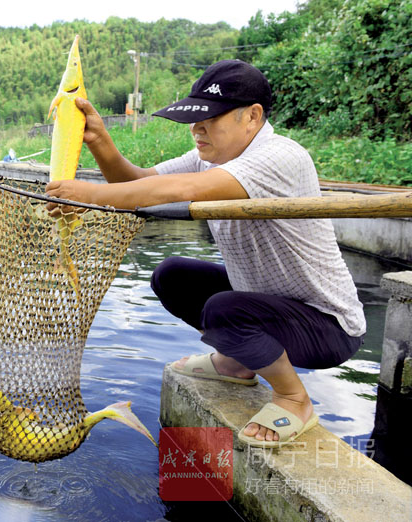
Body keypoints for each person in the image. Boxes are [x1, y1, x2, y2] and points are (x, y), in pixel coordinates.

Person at [45, 60, 366, 447]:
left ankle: (294, 398)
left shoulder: (282, 156)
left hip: (326, 325)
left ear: (253, 116)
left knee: (224, 310)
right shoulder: (209, 156)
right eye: (195, 119)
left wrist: (90, 195)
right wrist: (99, 140)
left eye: (210, 118)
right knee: (172, 277)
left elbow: (179, 191)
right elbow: (140, 184)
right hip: (266, 300)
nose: (197, 129)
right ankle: (237, 362)